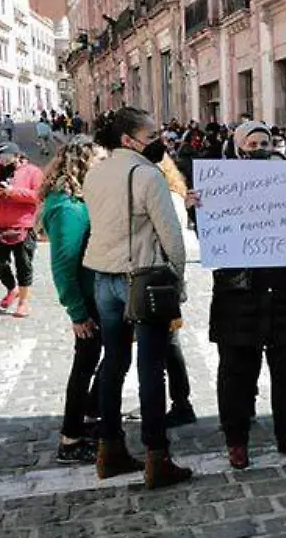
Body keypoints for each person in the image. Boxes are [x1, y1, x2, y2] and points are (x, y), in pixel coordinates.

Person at [83, 107, 191, 489]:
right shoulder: (147, 174)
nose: (158, 140)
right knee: (151, 367)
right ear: (129, 140)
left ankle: (108, 449)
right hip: (143, 278)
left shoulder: (94, 173)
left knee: (113, 362)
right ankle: (156, 457)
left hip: (103, 277)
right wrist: (177, 282)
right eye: (151, 134)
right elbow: (172, 238)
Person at [211, 121, 286, 468]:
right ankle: (236, 440)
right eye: (252, 143)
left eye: (264, 142)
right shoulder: (221, 183)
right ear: (239, 147)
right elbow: (213, 233)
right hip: (239, 293)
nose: (259, 148)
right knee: (237, 372)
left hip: (283, 290)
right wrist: (200, 205)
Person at [41, 136, 108, 464]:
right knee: (85, 364)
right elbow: (63, 266)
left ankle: (89, 416)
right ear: (83, 164)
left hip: (96, 294)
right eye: (99, 161)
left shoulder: (80, 200)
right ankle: (70, 438)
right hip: (87, 300)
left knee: (98, 358)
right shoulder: (67, 207)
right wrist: (77, 312)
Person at [146, 155, 199, 428]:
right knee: (167, 343)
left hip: (161, 278)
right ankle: (180, 401)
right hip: (159, 277)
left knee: (166, 343)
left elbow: (171, 243)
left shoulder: (168, 198)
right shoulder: (170, 195)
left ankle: (180, 402)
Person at [0, 144, 44, 317]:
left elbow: (38, 196)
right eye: (0, 158)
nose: (2, 161)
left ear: (16, 155)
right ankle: (12, 288)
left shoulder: (32, 172)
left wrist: (12, 192)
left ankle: (24, 302)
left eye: (6, 157)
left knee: (24, 265)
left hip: (22, 226)